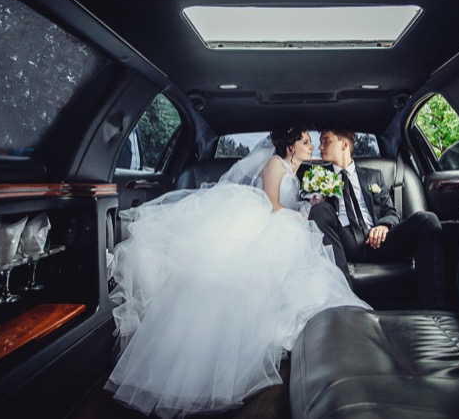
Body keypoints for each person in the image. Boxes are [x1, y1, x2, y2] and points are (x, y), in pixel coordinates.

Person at [104, 124, 370, 418]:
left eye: (313, 142)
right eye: (306, 141)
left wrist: (310, 205)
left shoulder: (299, 173)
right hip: (271, 223)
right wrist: (299, 214)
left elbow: (292, 205)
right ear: (290, 146)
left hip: (287, 224)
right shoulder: (274, 164)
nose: (312, 147)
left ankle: (327, 330)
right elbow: (272, 204)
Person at [306, 121, 447, 309]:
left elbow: (390, 211)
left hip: (378, 241)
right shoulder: (317, 176)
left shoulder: (374, 176)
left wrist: (384, 225)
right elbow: (314, 213)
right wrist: (316, 203)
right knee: (320, 211)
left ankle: (434, 310)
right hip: (343, 240)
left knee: (427, 220)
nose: (320, 147)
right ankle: (345, 303)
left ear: (344, 144)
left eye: (326, 141)